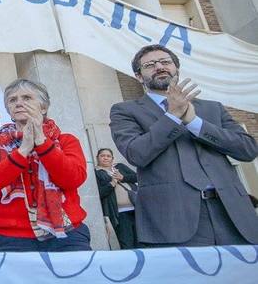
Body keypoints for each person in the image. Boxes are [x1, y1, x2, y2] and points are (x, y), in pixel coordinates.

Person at [110, 44, 258, 246]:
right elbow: (137, 153)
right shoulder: (125, 111)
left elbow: (248, 149)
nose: (159, 67)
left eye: (165, 62)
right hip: (173, 220)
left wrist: (195, 123)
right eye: (150, 65)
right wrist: (173, 117)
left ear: (176, 69)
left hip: (233, 217)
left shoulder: (212, 108)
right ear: (138, 76)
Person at [0, 79, 90, 252]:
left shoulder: (66, 141)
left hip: (66, 234)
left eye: (27, 98)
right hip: (9, 238)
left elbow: (72, 179)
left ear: (43, 108)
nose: (19, 103)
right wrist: (22, 151)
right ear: (10, 112)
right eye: (13, 100)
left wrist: (42, 143)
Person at [94, 148, 138, 249]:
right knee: (127, 244)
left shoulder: (120, 167)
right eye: (102, 155)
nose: (105, 158)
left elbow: (137, 177)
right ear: (97, 158)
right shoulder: (96, 173)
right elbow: (99, 194)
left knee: (142, 241)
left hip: (137, 209)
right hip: (119, 214)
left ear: (112, 158)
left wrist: (123, 178)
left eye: (108, 156)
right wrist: (112, 183)